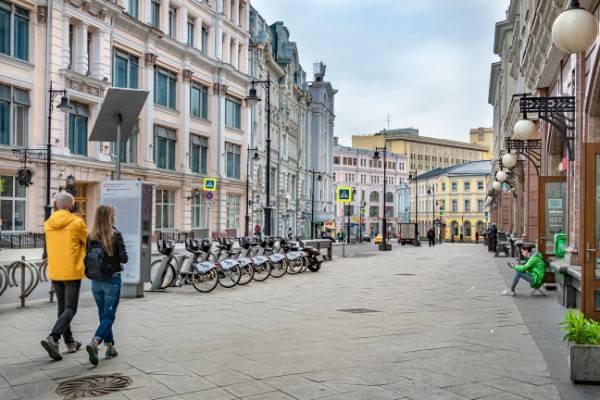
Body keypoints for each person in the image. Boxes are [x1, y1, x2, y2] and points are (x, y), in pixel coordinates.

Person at [41, 192, 87, 361]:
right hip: (71, 270)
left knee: (62, 308)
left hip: (55, 271)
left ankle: (70, 342)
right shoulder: (77, 222)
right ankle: (53, 337)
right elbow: (87, 242)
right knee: (70, 309)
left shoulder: (48, 224)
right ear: (70, 205)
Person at [85, 205, 128, 366]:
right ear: (109, 217)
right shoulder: (115, 235)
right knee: (109, 316)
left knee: (103, 314)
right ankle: (95, 342)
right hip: (112, 280)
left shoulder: (90, 236)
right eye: (113, 215)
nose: (115, 217)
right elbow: (124, 259)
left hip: (96, 281)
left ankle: (110, 346)